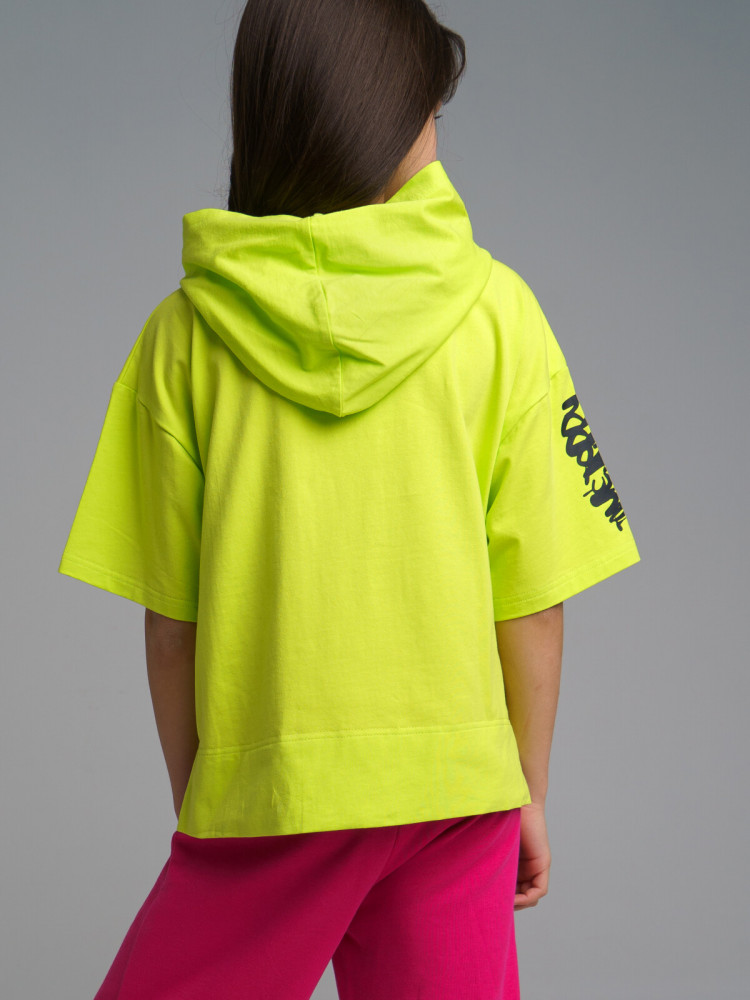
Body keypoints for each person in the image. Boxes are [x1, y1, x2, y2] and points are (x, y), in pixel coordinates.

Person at [57, 2, 640, 998]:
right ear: (391, 116)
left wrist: (209, 794)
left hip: (274, 785)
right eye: (432, 111)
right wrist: (526, 790)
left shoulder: (183, 340)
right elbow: (534, 601)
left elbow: (170, 626)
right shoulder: (501, 316)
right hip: (456, 789)